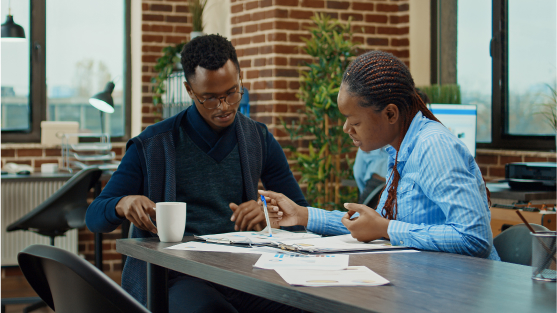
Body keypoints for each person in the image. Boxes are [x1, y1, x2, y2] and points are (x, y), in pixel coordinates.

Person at [86, 34, 308, 312]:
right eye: (210, 99)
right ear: (190, 91)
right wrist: (122, 203)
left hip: (245, 271)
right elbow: (95, 216)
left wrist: (269, 212)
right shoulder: (152, 144)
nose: (224, 106)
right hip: (176, 276)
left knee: (302, 306)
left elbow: (301, 213)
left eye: (231, 92)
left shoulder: (258, 138)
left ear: (240, 78)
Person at [260, 50, 500, 261]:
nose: (346, 128)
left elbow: (475, 238)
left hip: (463, 292)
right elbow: (374, 227)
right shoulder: (398, 150)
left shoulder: (434, 147)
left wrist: (387, 229)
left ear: (390, 114)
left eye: (355, 121)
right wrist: (302, 214)